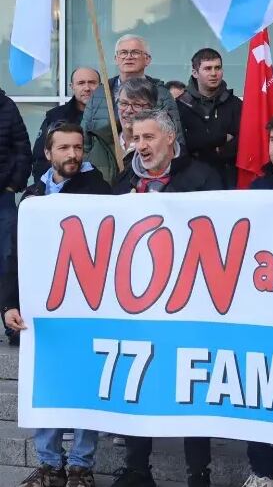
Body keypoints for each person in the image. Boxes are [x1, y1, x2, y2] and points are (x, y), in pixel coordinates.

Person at [110, 110, 219, 487]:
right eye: (136, 138)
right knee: (138, 383)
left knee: (190, 388)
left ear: (170, 138)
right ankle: (137, 467)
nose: (141, 146)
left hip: (190, 301)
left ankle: (197, 473)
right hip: (138, 302)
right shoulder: (125, 178)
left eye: (149, 138)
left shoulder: (202, 177)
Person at [3, 123, 111, 487]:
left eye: (78, 147)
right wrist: (9, 304)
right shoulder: (33, 196)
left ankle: (81, 466)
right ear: (47, 153)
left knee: (85, 387)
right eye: (63, 148)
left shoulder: (99, 190)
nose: (72, 155)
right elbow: (15, 257)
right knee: (45, 385)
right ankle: (49, 465)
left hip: (87, 310)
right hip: (42, 313)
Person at [81, 33, 184, 148]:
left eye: (135, 52)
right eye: (123, 53)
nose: (128, 57)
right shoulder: (100, 93)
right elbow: (84, 139)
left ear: (147, 59)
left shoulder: (161, 95)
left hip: (145, 162)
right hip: (103, 164)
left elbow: (175, 139)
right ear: (116, 59)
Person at [177, 48, 242, 188]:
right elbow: (181, 144)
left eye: (217, 68)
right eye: (207, 68)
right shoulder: (180, 105)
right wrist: (221, 138)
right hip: (190, 181)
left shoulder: (236, 104)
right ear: (195, 73)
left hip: (229, 179)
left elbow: (243, 140)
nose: (214, 73)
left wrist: (219, 150)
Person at [31, 67, 100, 182]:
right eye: (81, 83)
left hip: (100, 187)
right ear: (72, 87)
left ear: (101, 86)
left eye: (92, 83)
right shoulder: (55, 116)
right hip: (60, 189)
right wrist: (45, 188)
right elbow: (40, 157)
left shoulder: (112, 117)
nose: (87, 88)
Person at [0, 87, 30, 340]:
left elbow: (22, 148)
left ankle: (11, 324)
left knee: (7, 259)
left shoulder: (5, 106)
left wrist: (14, 184)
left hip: (2, 198)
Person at [85, 78, 156, 184]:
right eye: (123, 103)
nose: (128, 110)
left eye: (136, 105)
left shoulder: (157, 146)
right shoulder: (99, 140)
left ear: (151, 108)